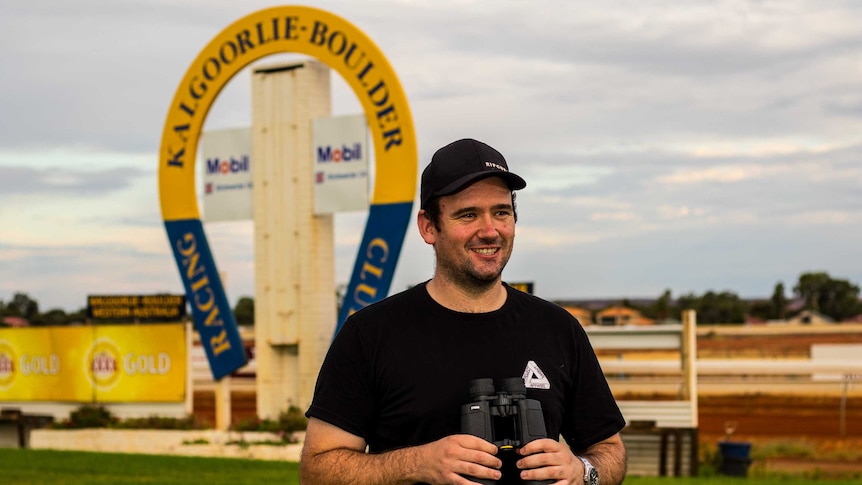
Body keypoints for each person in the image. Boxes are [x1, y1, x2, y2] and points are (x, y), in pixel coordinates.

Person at [300, 138, 627, 484]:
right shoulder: (369, 334)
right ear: (429, 226)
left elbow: (609, 451)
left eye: (501, 212)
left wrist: (583, 471)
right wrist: (417, 464)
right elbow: (317, 469)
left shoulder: (559, 329)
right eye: (468, 214)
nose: (489, 231)